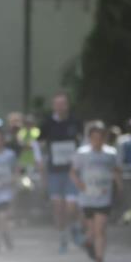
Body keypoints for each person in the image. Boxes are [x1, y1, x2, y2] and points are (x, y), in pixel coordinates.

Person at [70, 121, 123, 262]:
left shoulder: (110, 153)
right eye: (94, 137)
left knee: (100, 229)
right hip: (87, 197)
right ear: (90, 138)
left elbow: (116, 170)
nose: (97, 140)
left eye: (100, 137)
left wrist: (119, 187)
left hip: (104, 196)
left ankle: (99, 260)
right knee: (92, 230)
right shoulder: (82, 153)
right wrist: (79, 184)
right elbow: (73, 172)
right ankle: (88, 243)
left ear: (104, 138)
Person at [39, 92, 83, 253]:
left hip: (72, 171)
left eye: (63, 104)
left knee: (71, 207)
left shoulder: (75, 122)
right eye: (57, 104)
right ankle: (63, 238)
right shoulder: (47, 124)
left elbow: (83, 142)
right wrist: (40, 163)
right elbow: (39, 144)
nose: (60, 107)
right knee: (58, 207)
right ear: (53, 106)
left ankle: (75, 227)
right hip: (54, 171)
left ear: (67, 105)